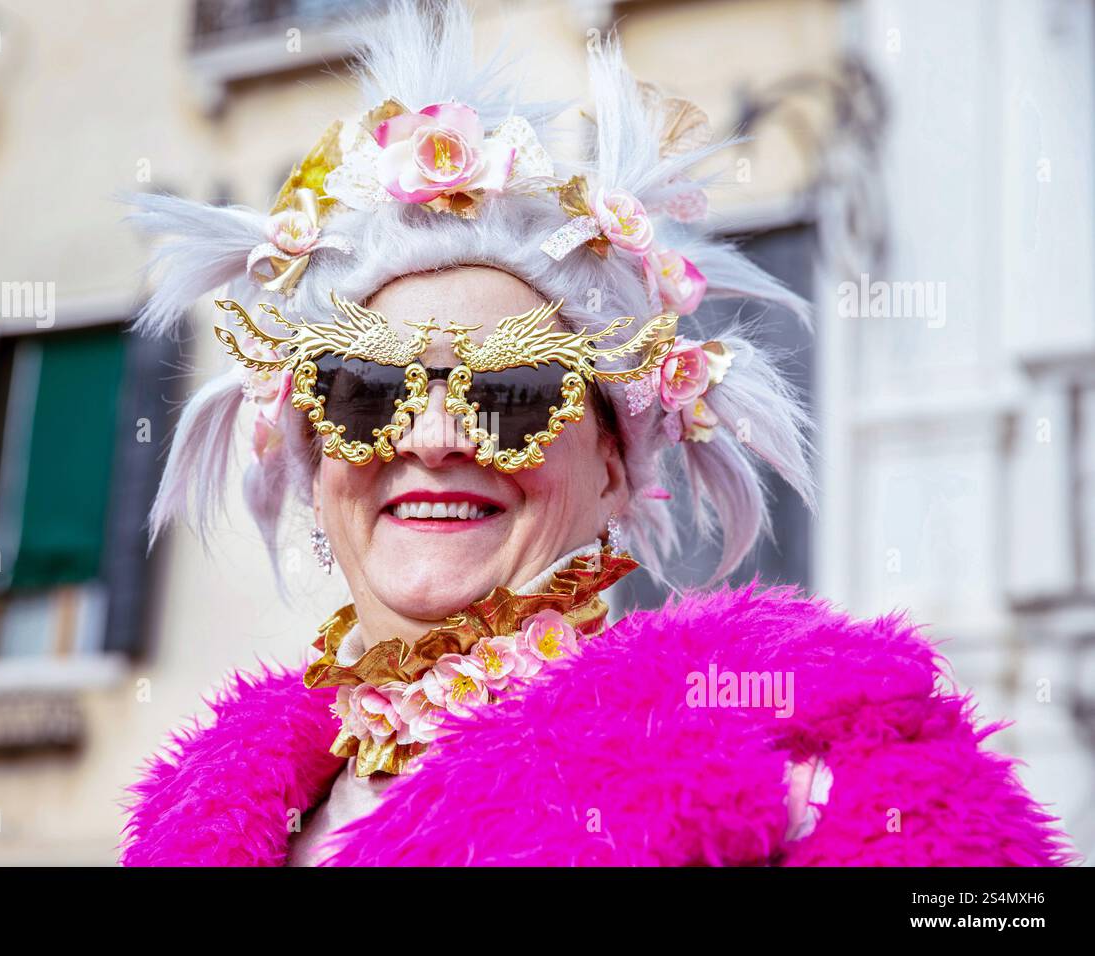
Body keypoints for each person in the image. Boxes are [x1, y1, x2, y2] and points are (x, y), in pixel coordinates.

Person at [118, 0, 1074, 867]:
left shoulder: (806, 763)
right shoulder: (210, 819)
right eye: (366, 391)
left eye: (515, 392)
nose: (439, 434)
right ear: (312, 457)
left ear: (617, 463)